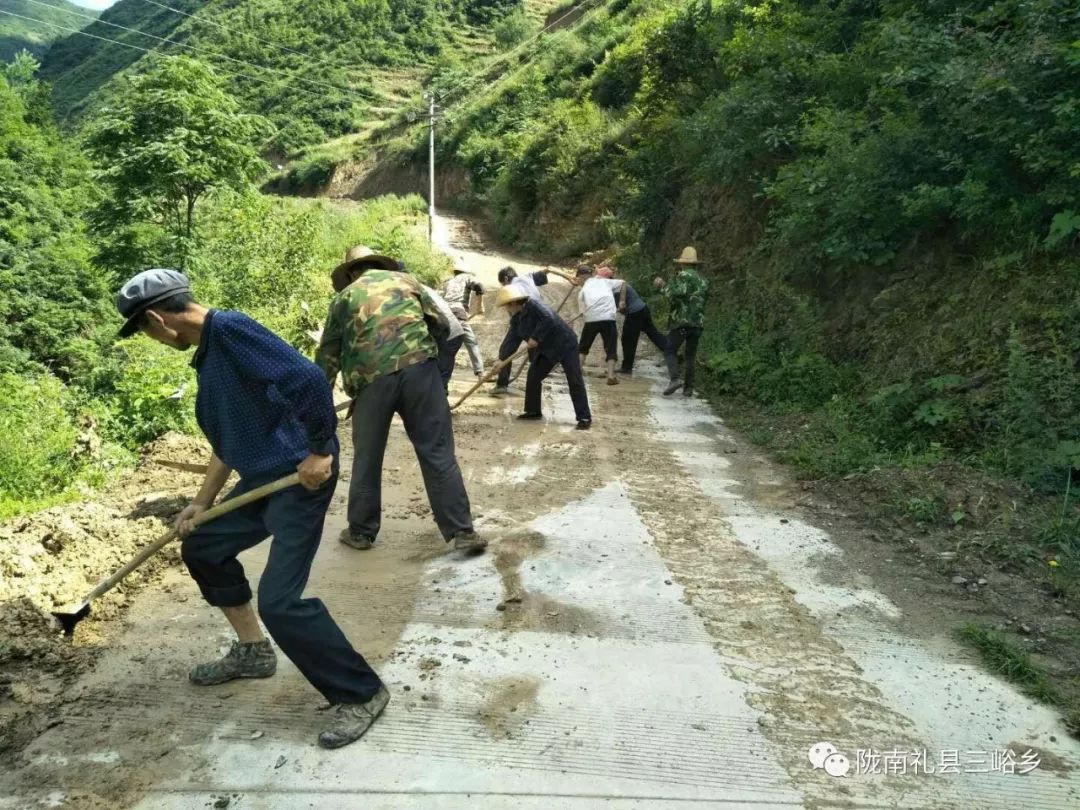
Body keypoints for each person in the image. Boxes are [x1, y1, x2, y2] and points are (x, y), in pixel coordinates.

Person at [114, 268, 388, 750]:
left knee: (281, 601)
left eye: (143, 331)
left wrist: (321, 449)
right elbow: (228, 441)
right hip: (262, 480)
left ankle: (361, 692)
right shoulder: (211, 355)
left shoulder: (231, 329)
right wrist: (201, 503)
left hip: (297, 481)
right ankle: (253, 652)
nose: (151, 339)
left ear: (158, 320)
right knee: (203, 546)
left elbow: (308, 378)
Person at [315, 246, 485, 554]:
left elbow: (327, 356)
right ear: (377, 265)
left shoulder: (344, 298)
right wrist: (425, 359)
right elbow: (443, 326)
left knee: (367, 458)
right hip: (421, 373)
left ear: (352, 272)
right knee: (437, 451)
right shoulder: (407, 282)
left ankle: (361, 533)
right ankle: (463, 532)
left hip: (371, 382)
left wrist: (317, 404)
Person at [496, 286, 592, 430]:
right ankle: (533, 411)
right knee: (534, 375)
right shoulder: (516, 320)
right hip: (547, 349)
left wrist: (535, 337)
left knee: (574, 378)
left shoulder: (534, 305)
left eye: (506, 306)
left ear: (513, 303)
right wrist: (501, 360)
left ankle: (584, 417)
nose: (506, 310)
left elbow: (549, 317)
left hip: (565, 344)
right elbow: (511, 340)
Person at [655, 246, 710, 397]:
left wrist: (662, 286)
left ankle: (674, 379)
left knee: (670, 350)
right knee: (690, 355)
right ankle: (689, 388)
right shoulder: (704, 281)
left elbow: (674, 294)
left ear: (682, 263)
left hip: (681, 321)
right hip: (698, 323)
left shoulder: (682, 276)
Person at [596, 265, 667, 375]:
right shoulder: (615, 284)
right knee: (653, 334)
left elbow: (619, 306)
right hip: (643, 309)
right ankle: (672, 352)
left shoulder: (614, 287)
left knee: (628, 340)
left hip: (635, 313)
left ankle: (627, 367)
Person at [424, 284, 476, 392]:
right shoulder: (422, 288)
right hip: (446, 331)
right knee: (436, 371)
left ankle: (440, 404)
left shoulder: (414, 292)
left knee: (441, 374)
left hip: (450, 334)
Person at [440, 258, 485, 377]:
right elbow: (480, 287)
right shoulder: (467, 277)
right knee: (471, 342)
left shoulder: (447, 282)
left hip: (443, 313)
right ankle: (480, 372)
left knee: (443, 345)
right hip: (457, 313)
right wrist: (480, 304)